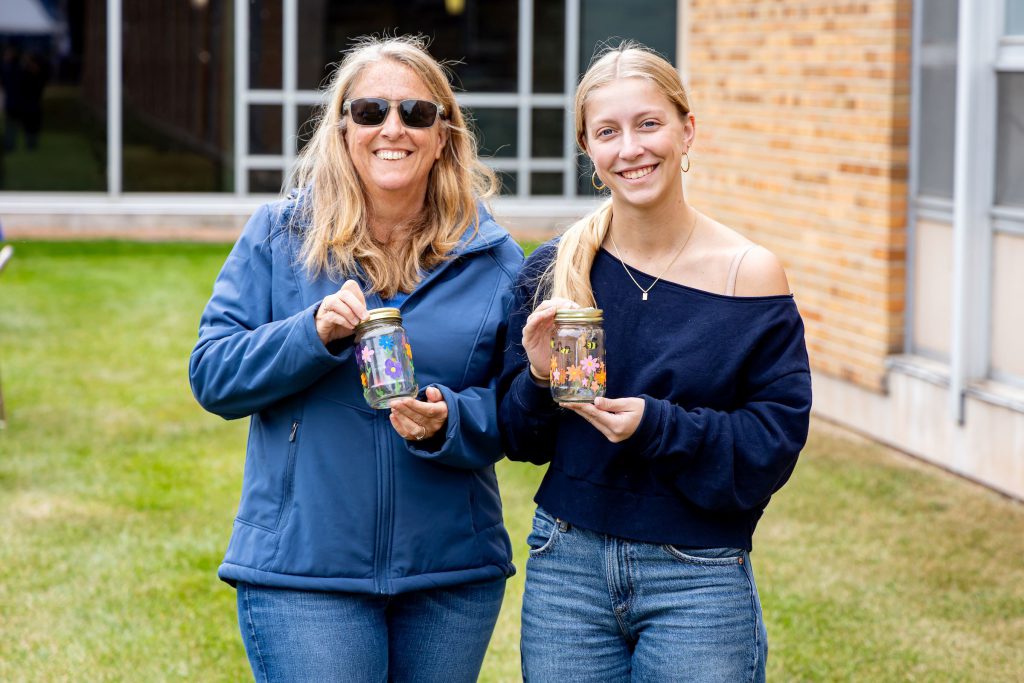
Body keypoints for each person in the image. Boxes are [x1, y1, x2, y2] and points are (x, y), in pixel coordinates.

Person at [190, 35, 522, 682]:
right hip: (304, 573)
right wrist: (310, 335)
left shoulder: (493, 257)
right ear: (343, 129)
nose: (392, 128)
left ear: (443, 135)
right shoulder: (279, 235)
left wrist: (450, 421)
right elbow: (213, 374)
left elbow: (519, 413)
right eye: (370, 111)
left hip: (452, 575)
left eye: (416, 113)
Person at [498, 41, 812, 682]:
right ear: (588, 148)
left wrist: (655, 426)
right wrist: (536, 377)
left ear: (687, 130)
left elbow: (772, 443)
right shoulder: (555, 268)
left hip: (698, 575)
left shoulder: (747, 275)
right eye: (607, 132)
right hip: (566, 569)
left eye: (648, 124)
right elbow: (519, 440)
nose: (631, 149)